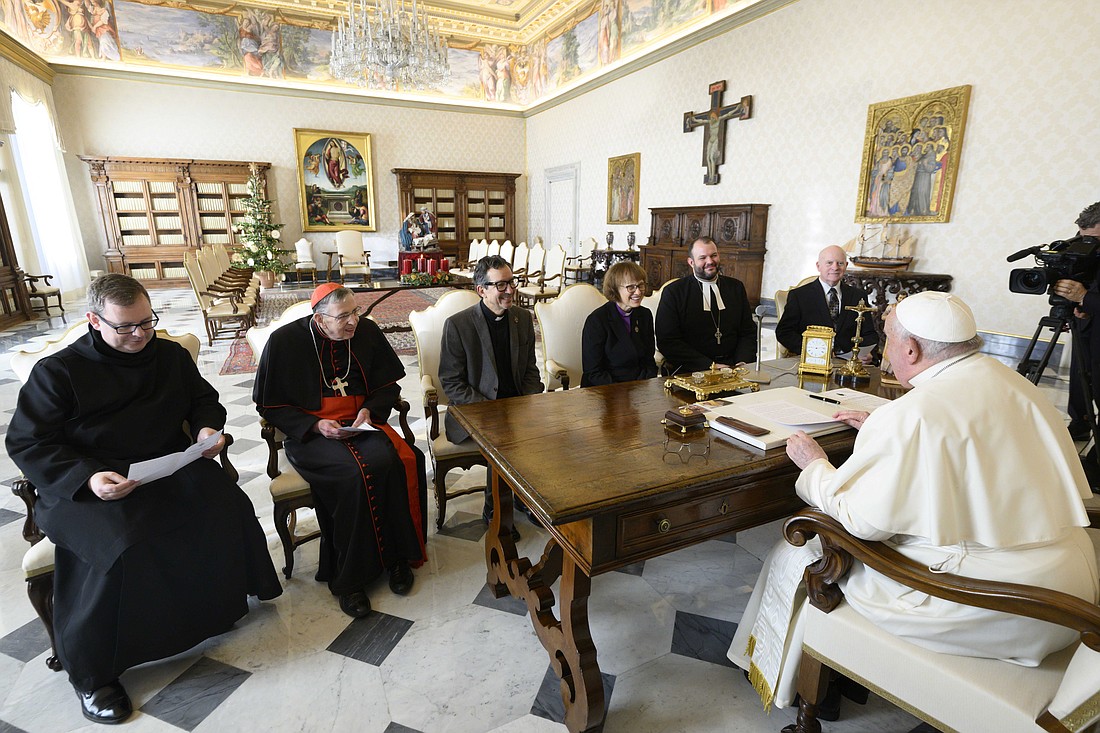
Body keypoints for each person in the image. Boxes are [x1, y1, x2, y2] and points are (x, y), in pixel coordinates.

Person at [729, 292, 1098, 720]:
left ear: (911, 349)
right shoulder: (1015, 383)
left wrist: (815, 466)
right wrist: (883, 431)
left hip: (1003, 607)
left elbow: (861, 522)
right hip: (1068, 585)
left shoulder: (914, 414)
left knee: (803, 551)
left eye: (885, 340)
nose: (883, 352)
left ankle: (796, 677)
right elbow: (977, 456)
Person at [5, 274, 281, 725]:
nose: (140, 335)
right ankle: (94, 674)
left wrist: (208, 429)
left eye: (147, 323)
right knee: (124, 544)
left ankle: (212, 611)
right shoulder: (57, 372)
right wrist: (89, 478)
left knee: (226, 505)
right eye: (126, 327)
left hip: (163, 465)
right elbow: (29, 443)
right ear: (94, 321)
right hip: (87, 485)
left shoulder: (170, 355)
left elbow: (203, 401)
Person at [253, 283, 427, 619]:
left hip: (361, 424)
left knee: (390, 460)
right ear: (319, 319)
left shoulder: (367, 332)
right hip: (311, 433)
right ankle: (349, 580)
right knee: (351, 475)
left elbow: (387, 386)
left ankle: (397, 559)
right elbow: (270, 404)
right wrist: (315, 425)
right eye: (343, 316)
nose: (352, 322)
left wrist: (370, 410)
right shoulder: (286, 341)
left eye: (355, 312)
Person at [439, 255, 543, 524]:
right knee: (503, 435)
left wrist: (529, 402)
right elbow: (451, 383)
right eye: (501, 285)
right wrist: (492, 409)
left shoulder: (521, 318)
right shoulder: (458, 325)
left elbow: (531, 370)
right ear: (481, 290)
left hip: (517, 406)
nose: (510, 290)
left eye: (512, 282)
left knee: (544, 430)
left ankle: (525, 499)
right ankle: (496, 508)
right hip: (476, 410)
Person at [655, 236, 756, 373]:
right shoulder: (674, 292)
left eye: (713, 255)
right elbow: (667, 341)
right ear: (691, 262)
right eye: (702, 258)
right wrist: (709, 365)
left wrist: (742, 361)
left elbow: (748, 332)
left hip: (733, 368)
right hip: (691, 369)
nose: (710, 261)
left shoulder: (735, 287)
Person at [775, 245, 878, 360]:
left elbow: (869, 334)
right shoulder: (799, 296)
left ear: (846, 266)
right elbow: (784, 332)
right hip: (812, 360)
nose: (835, 268)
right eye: (829, 263)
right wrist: (813, 351)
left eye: (840, 263)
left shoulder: (858, 296)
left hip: (850, 362)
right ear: (818, 266)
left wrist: (868, 354)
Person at [1051, 201, 1100, 441]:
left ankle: (1095, 462)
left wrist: (1084, 297)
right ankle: (1079, 424)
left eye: (1096, 240)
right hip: (1087, 323)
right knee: (1080, 380)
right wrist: (1079, 304)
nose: (1091, 246)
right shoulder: (1082, 245)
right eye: (1085, 238)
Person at [581, 260, 657, 386]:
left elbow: (649, 361)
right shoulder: (597, 321)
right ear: (615, 289)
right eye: (631, 287)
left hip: (639, 390)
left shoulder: (645, 315)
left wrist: (641, 386)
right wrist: (624, 391)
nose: (638, 292)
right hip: (605, 392)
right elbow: (593, 372)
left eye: (641, 285)